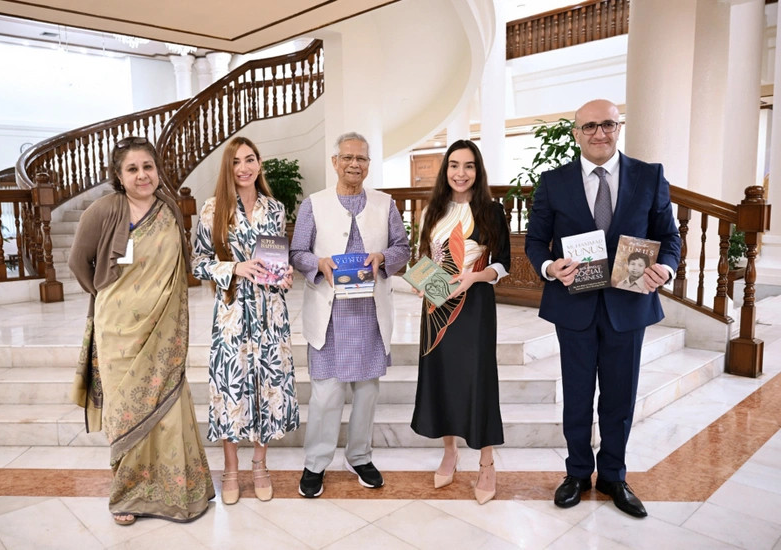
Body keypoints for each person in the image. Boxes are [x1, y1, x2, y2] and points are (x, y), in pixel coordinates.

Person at [525, 99, 681, 518]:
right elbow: (535, 240)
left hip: (627, 307)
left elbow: (669, 237)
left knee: (619, 398)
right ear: (576, 133)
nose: (600, 133)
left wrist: (666, 268)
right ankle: (577, 473)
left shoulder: (649, 176)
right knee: (577, 396)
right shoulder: (553, 181)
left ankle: (613, 475)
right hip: (573, 306)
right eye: (590, 126)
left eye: (608, 124)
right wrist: (550, 267)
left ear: (618, 127)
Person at [69, 136, 214, 525]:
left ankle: (176, 490)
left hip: (162, 328)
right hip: (117, 333)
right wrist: (109, 296)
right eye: (132, 169)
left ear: (157, 170)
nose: (142, 175)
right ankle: (128, 495)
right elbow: (79, 261)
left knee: (167, 408)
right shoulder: (103, 210)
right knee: (126, 412)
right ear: (118, 176)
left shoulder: (169, 209)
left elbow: (180, 266)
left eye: (148, 166)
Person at [290, 131, 410, 497]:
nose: (354, 164)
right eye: (347, 157)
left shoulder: (386, 204)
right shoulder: (314, 204)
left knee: (367, 392)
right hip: (329, 314)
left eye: (361, 158)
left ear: (369, 164)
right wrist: (318, 263)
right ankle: (316, 462)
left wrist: (383, 257)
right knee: (326, 394)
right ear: (335, 162)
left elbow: (402, 248)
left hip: (369, 314)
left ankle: (360, 456)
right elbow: (297, 252)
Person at [192, 136, 300, 505]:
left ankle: (260, 466)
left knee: (267, 386)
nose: (244, 167)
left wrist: (285, 276)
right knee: (231, 389)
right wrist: (234, 268)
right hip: (233, 314)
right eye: (236, 161)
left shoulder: (274, 209)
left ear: (259, 163)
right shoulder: (212, 209)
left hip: (271, 314)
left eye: (250, 159)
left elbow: (276, 260)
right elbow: (198, 263)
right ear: (228, 167)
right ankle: (231, 469)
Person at [410, 140, 510, 505]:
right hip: (437, 310)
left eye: (469, 166)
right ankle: (450, 452)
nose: (461, 173)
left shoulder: (491, 211)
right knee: (442, 378)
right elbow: (423, 258)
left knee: (478, 380)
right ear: (445, 170)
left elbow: (503, 263)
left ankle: (486, 462)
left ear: (478, 171)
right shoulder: (432, 211)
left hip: (475, 306)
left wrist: (475, 277)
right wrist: (421, 283)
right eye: (454, 165)